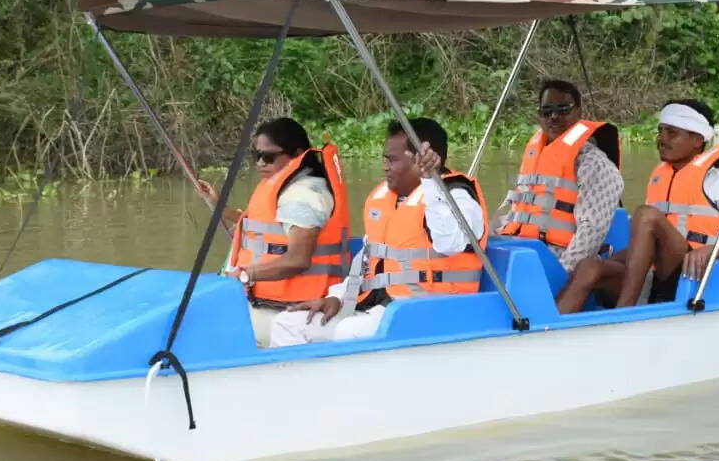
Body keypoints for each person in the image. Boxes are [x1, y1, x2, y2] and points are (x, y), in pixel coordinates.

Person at [270, 117, 487, 346]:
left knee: (349, 331)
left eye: (392, 160)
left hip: (430, 312)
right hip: (380, 308)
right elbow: (368, 260)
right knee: (288, 323)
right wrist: (337, 296)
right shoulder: (388, 198)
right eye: (385, 159)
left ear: (421, 160)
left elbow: (449, 244)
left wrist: (430, 182)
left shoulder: (459, 197)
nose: (385, 166)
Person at [555, 100, 719, 313]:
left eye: (671, 133)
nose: (661, 139)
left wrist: (710, 251)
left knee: (645, 215)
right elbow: (648, 244)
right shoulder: (659, 177)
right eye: (660, 131)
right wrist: (611, 261)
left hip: (691, 273)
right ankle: (551, 326)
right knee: (589, 267)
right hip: (656, 273)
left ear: (697, 140)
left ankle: (624, 313)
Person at [195, 117, 350, 346]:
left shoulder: (303, 196)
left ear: (297, 154)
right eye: (256, 156)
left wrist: (244, 275)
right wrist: (218, 205)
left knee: (198, 321)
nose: (260, 163)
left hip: (293, 309)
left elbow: (297, 259)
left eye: (268, 157)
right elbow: (268, 229)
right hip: (269, 302)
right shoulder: (289, 186)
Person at [494, 79, 623, 274]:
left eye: (563, 110)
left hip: (556, 259)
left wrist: (561, 274)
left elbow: (591, 231)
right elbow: (518, 212)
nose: (553, 117)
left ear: (578, 111)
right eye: (546, 111)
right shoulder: (535, 155)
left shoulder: (594, 163)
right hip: (518, 250)